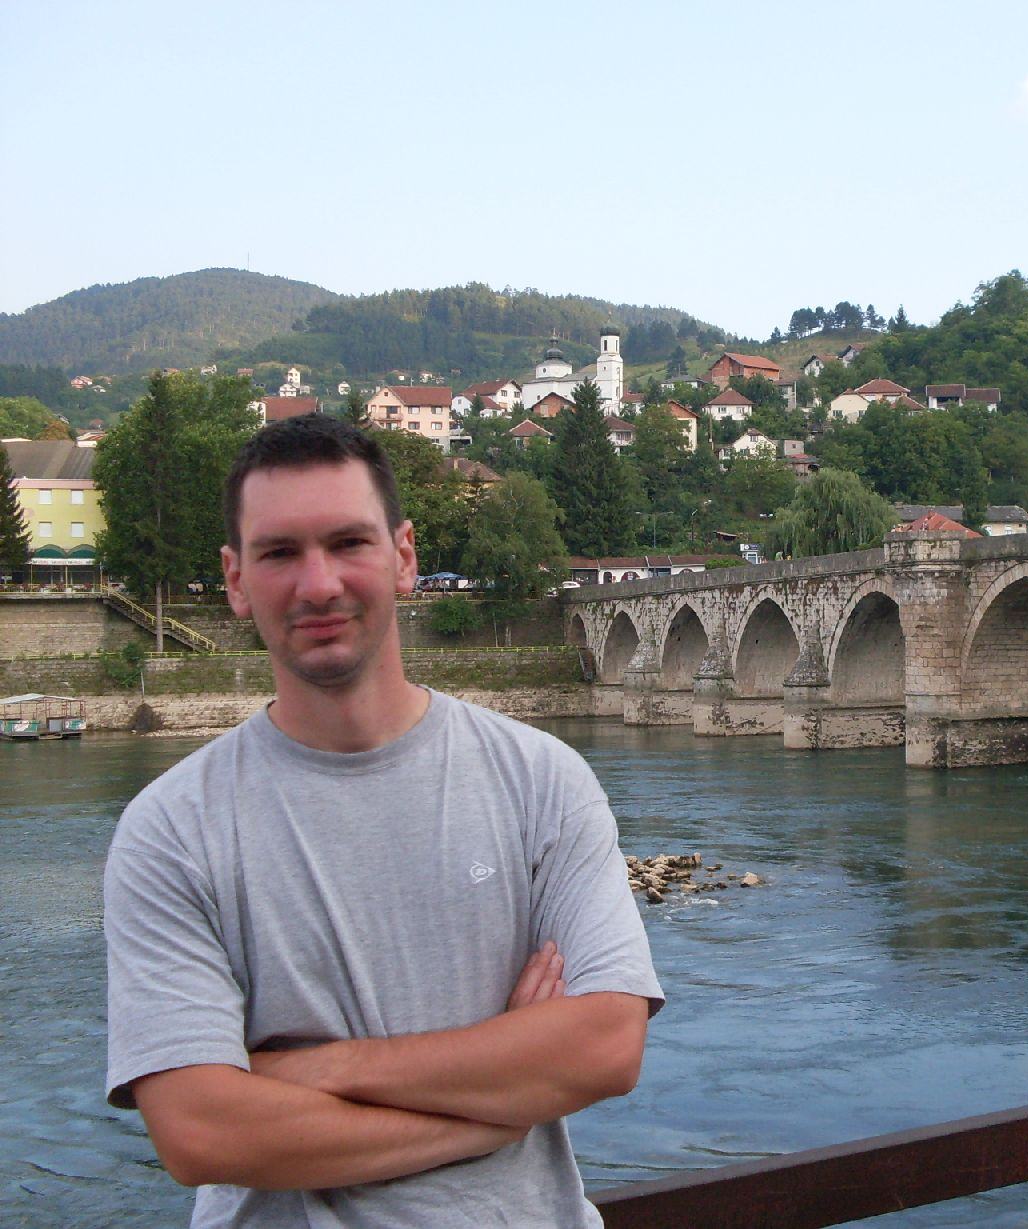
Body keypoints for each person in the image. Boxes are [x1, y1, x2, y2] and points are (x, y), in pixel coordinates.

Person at [103, 414, 663, 1226]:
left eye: (348, 542)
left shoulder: (543, 781)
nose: (318, 583)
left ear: (403, 556)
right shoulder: (170, 831)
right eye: (279, 552)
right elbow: (199, 1130)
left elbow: (606, 1045)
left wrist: (318, 1069)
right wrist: (498, 1104)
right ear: (235, 578)